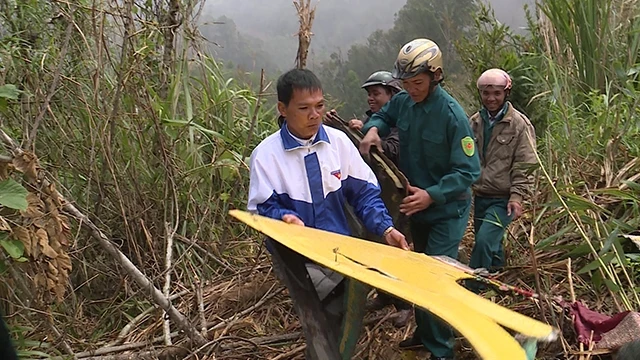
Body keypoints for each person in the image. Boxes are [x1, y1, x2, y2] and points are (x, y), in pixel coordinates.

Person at [247, 68, 409, 357]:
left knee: (340, 317)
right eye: (304, 108)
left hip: (337, 249)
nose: (314, 115)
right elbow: (262, 207)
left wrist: (385, 228)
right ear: (282, 109)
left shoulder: (338, 143)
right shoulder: (267, 155)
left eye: (319, 106)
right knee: (317, 320)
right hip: (293, 256)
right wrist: (283, 219)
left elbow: (364, 194)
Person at [360, 38, 481, 360]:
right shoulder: (405, 103)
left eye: (418, 83)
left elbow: (468, 171)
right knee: (417, 273)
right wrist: (373, 129)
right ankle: (427, 333)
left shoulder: (452, 116)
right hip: (415, 207)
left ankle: (441, 350)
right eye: (407, 83)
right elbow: (384, 115)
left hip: (446, 209)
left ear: (435, 76)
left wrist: (432, 195)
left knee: (434, 277)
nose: (412, 89)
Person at [467, 68, 537, 279]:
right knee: (492, 246)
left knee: (484, 241)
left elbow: (526, 163)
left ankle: (473, 284)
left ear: (506, 93)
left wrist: (517, 196)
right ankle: (499, 284)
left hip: (503, 199)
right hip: (481, 196)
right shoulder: (474, 122)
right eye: (486, 93)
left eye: (497, 93)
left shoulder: (518, 124)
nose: (491, 98)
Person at [347, 71, 402, 164]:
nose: (370, 98)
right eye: (369, 94)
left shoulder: (402, 121)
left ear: (393, 96)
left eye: (376, 94)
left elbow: (395, 151)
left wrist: (376, 143)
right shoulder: (368, 120)